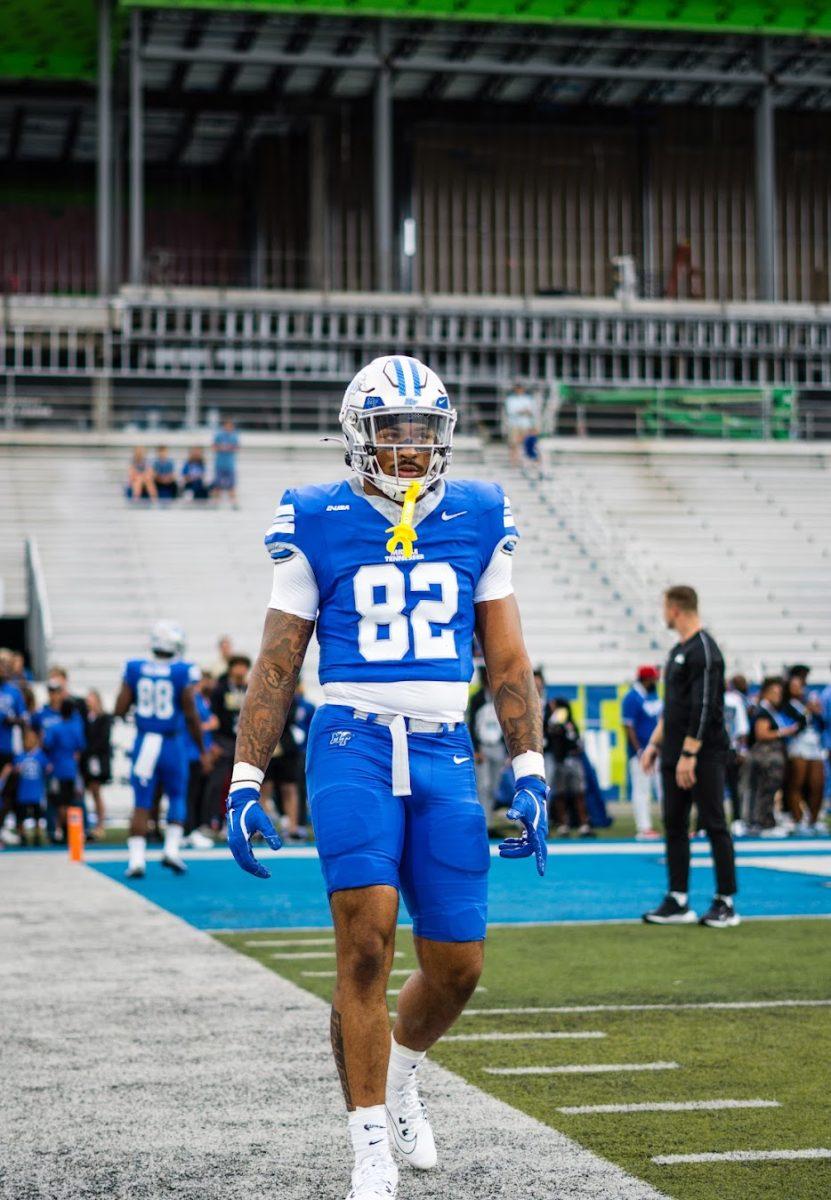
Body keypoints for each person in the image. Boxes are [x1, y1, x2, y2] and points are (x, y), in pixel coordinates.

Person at [225, 354, 548, 1200]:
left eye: (421, 432)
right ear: (356, 436)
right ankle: (368, 1140)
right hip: (351, 742)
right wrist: (244, 775)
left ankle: (401, 1073)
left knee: (458, 965)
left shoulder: (479, 512)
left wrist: (530, 766)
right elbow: (277, 660)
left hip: (444, 747)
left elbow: (507, 655)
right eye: (390, 430)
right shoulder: (315, 515)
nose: (407, 448)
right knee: (365, 943)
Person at [641, 585, 739, 929]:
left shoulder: (705, 651)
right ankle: (678, 899)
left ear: (677, 609)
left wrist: (689, 754)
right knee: (675, 825)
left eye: (664, 607)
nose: (662, 613)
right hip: (674, 752)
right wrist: (654, 745)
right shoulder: (678, 651)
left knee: (714, 824)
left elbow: (705, 707)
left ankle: (726, 901)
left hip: (704, 753)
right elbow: (674, 708)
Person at [114, 620, 208, 878]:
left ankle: (136, 860)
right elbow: (190, 712)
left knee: (141, 803)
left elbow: (119, 709)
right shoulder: (182, 671)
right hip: (171, 742)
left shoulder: (134, 668)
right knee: (177, 796)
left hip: (145, 741)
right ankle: (171, 850)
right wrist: (202, 748)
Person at [746, 677, 798, 835]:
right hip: (766, 756)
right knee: (766, 789)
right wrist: (785, 731)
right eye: (775, 692)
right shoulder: (764, 711)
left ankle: (762, 820)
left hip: (769, 755)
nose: (779, 696)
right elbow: (761, 733)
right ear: (767, 693)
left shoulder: (770, 710)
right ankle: (764, 822)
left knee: (767, 789)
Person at [204, 655, 250, 828]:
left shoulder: (249, 688)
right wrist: (213, 742)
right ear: (230, 669)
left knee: (240, 781)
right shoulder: (220, 689)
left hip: (243, 741)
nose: (240, 670)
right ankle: (212, 820)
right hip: (224, 740)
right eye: (237, 666)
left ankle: (238, 819)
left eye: (243, 666)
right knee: (218, 782)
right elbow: (213, 716)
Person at [782, 666, 827, 835]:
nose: (799, 688)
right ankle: (798, 819)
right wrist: (808, 710)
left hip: (814, 743)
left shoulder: (808, 701)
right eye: (795, 685)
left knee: (818, 784)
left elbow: (821, 723)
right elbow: (794, 724)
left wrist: (816, 711)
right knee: (797, 783)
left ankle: (813, 820)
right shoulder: (787, 705)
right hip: (798, 743)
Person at [621, 665, 663, 840]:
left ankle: (670, 823)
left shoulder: (653, 695)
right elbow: (628, 726)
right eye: (653, 678)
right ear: (646, 679)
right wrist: (638, 749)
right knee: (642, 789)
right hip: (642, 752)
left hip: (658, 750)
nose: (656, 681)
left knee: (663, 789)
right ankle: (644, 827)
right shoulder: (631, 698)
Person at [545, 697, 592, 836]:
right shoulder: (557, 721)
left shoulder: (565, 719)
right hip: (562, 761)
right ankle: (564, 824)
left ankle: (582, 823)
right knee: (561, 795)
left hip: (570, 760)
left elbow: (573, 739)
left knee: (577, 794)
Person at [183, 672, 219, 849]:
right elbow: (197, 724)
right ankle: (188, 831)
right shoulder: (190, 700)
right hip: (190, 752)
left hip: (197, 751)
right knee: (189, 794)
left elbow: (212, 720)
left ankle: (191, 829)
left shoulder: (197, 699)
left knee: (196, 793)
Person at [467, 673, 507, 828]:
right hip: (482, 747)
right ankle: (481, 822)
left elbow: (506, 723)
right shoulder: (477, 699)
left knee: (493, 787)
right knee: (482, 786)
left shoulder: (501, 697)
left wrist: (507, 749)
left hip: (497, 746)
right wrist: (475, 749)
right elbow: (471, 724)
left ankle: (488, 820)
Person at [43, 698, 86, 838]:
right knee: (71, 801)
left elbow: (47, 745)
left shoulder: (56, 728)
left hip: (58, 769)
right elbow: (81, 746)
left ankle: (59, 831)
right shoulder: (76, 728)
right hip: (71, 769)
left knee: (59, 802)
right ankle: (70, 831)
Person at [0, 727, 49, 846]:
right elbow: (10, 768)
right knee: (21, 816)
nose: (29, 742)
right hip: (23, 792)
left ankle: (38, 836)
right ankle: (23, 837)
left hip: (37, 792)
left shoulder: (40, 755)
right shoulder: (20, 756)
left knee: (38, 815)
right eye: (27, 739)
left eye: (32, 739)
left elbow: (48, 767)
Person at [0, 650, 26, 845]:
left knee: (8, 792)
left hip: (7, 749)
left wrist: (13, 720)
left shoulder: (14, 692)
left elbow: (24, 719)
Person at [82, 689, 112, 840]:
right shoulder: (86, 718)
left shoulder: (104, 718)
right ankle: (88, 824)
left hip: (97, 760)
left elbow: (103, 740)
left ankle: (100, 824)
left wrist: (88, 750)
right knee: (88, 792)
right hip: (87, 760)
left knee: (96, 791)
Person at [723, 674, 751, 831]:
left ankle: (737, 820)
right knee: (710, 789)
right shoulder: (706, 697)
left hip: (729, 748)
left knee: (734, 786)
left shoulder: (734, 700)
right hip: (714, 749)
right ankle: (705, 822)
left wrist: (742, 749)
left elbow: (741, 727)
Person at [502, 382, 536, 468]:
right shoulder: (510, 399)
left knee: (526, 444)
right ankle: (513, 462)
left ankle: (524, 462)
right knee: (513, 443)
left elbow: (531, 411)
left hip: (525, 425)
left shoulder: (528, 399)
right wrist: (523, 411)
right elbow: (511, 411)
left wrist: (522, 411)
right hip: (514, 424)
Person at [212, 418, 239, 507]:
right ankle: (215, 502)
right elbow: (214, 447)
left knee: (231, 485)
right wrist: (223, 448)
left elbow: (236, 447)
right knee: (217, 485)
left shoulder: (234, 436)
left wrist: (227, 448)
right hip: (219, 464)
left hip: (229, 465)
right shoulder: (219, 435)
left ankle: (233, 503)